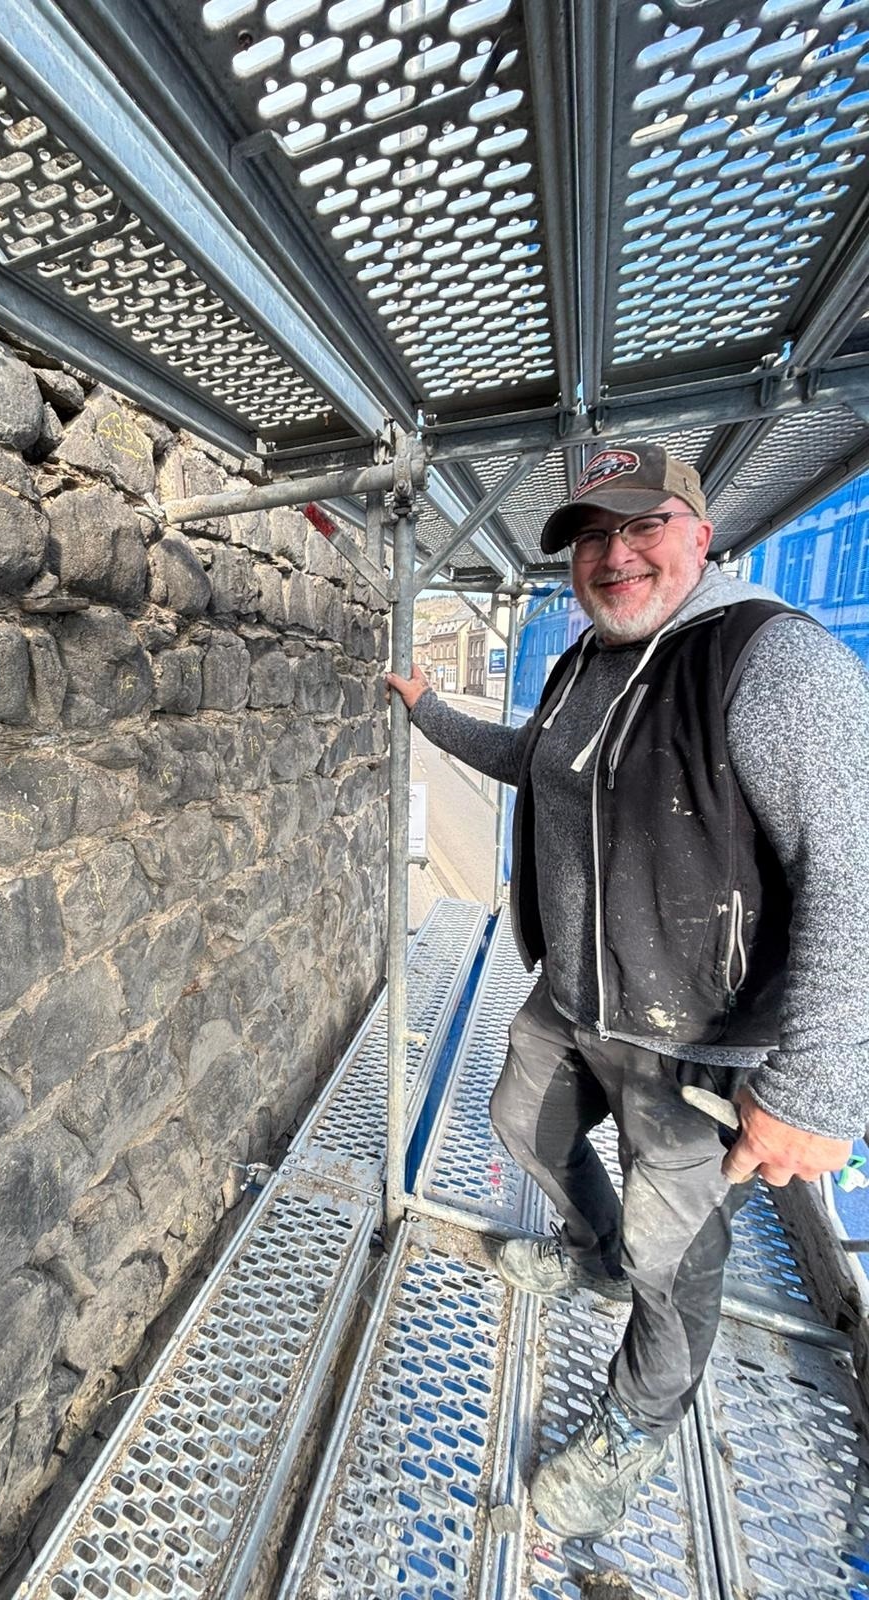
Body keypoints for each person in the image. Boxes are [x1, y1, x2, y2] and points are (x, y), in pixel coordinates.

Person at [387, 443, 869, 1538]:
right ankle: (591, 1254)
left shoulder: (770, 663)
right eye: (593, 537)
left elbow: (858, 867)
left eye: (642, 526)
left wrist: (821, 1090)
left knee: (677, 1255)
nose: (615, 555)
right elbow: (536, 760)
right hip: (578, 998)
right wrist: (426, 712)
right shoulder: (584, 663)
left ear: (699, 533)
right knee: (522, 1126)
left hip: (704, 1043)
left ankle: (637, 1425)